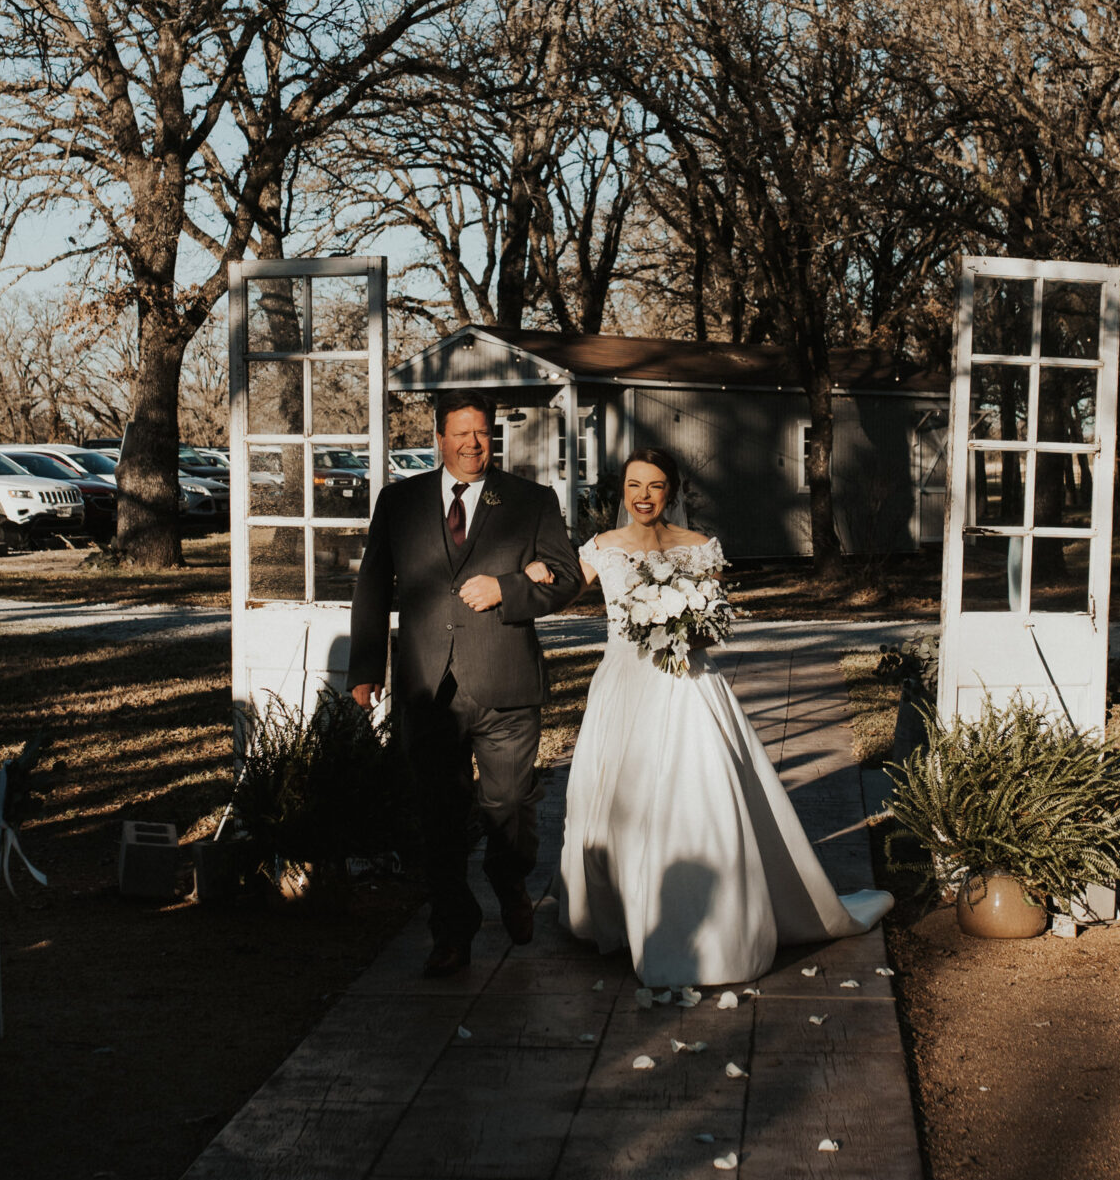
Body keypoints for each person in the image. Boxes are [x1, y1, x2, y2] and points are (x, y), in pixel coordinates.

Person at [557, 447, 892, 986]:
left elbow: (715, 622)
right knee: (621, 797)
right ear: (621, 490)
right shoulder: (599, 549)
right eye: (634, 485)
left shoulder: (700, 548)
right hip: (623, 685)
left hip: (690, 683)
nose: (643, 496)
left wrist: (689, 624)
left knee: (699, 793)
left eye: (656, 485)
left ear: (673, 491)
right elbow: (557, 588)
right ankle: (623, 913)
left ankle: (705, 927)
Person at [348, 393, 581, 975]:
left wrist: (508, 588)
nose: (472, 444)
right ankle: (453, 928)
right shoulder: (398, 502)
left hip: (505, 683)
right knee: (437, 815)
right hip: (427, 688)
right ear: (439, 438)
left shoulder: (529, 502)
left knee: (507, 806)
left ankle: (509, 881)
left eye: (481, 433)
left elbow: (568, 577)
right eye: (460, 434)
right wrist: (364, 668)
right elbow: (373, 586)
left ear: (492, 436)